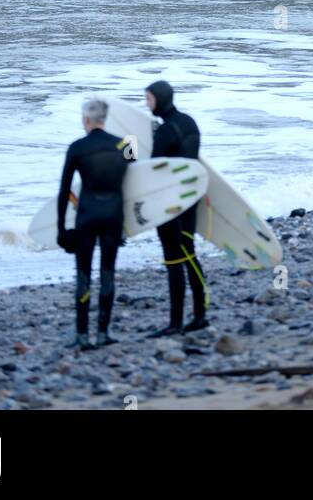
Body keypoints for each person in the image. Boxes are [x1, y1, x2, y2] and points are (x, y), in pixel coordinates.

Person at [57, 96, 128, 350]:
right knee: (107, 273)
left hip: (86, 217)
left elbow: (65, 190)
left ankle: (82, 335)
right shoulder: (125, 144)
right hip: (113, 218)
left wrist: (61, 229)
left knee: (84, 276)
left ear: (86, 119)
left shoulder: (76, 147)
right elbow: (138, 181)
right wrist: (127, 225)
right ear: (104, 119)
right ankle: (103, 333)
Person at [145, 80, 208, 337]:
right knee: (189, 254)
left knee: (174, 260)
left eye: (149, 99)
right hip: (191, 198)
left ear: (160, 99)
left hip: (169, 203)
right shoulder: (189, 122)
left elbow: (150, 170)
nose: (147, 104)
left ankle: (175, 322)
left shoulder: (165, 131)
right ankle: (201, 315)